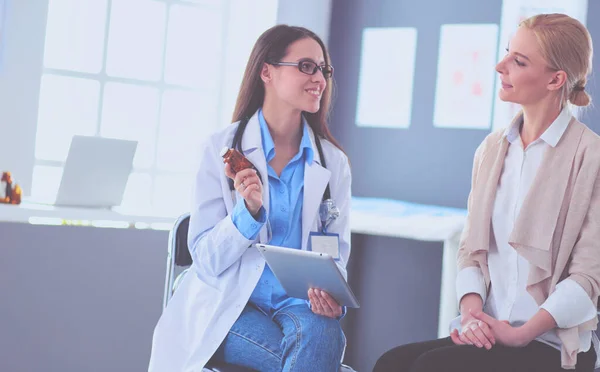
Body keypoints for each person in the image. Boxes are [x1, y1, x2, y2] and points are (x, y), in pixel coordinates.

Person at [374, 13, 599, 372]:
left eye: (518, 61)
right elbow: (471, 251)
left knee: (429, 368)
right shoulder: (492, 149)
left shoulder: (591, 157)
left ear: (556, 79)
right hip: (492, 333)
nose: (500, 66)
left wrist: (521, 333)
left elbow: (588, 278)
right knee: (391, 363)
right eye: (508, 53)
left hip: (549, 342)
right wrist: (472, 311)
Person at [148, 24, 352, 372]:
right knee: (316, 359)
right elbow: (208, 261)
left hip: (299, 306)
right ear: (266, 71)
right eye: (306, 65)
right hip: (229, 305)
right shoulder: (220, 149)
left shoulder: (333, 162)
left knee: (326, 332)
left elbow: (336, 254)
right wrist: (248, 211)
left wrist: (333, 297)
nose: (319, 77)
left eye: (323, 69)